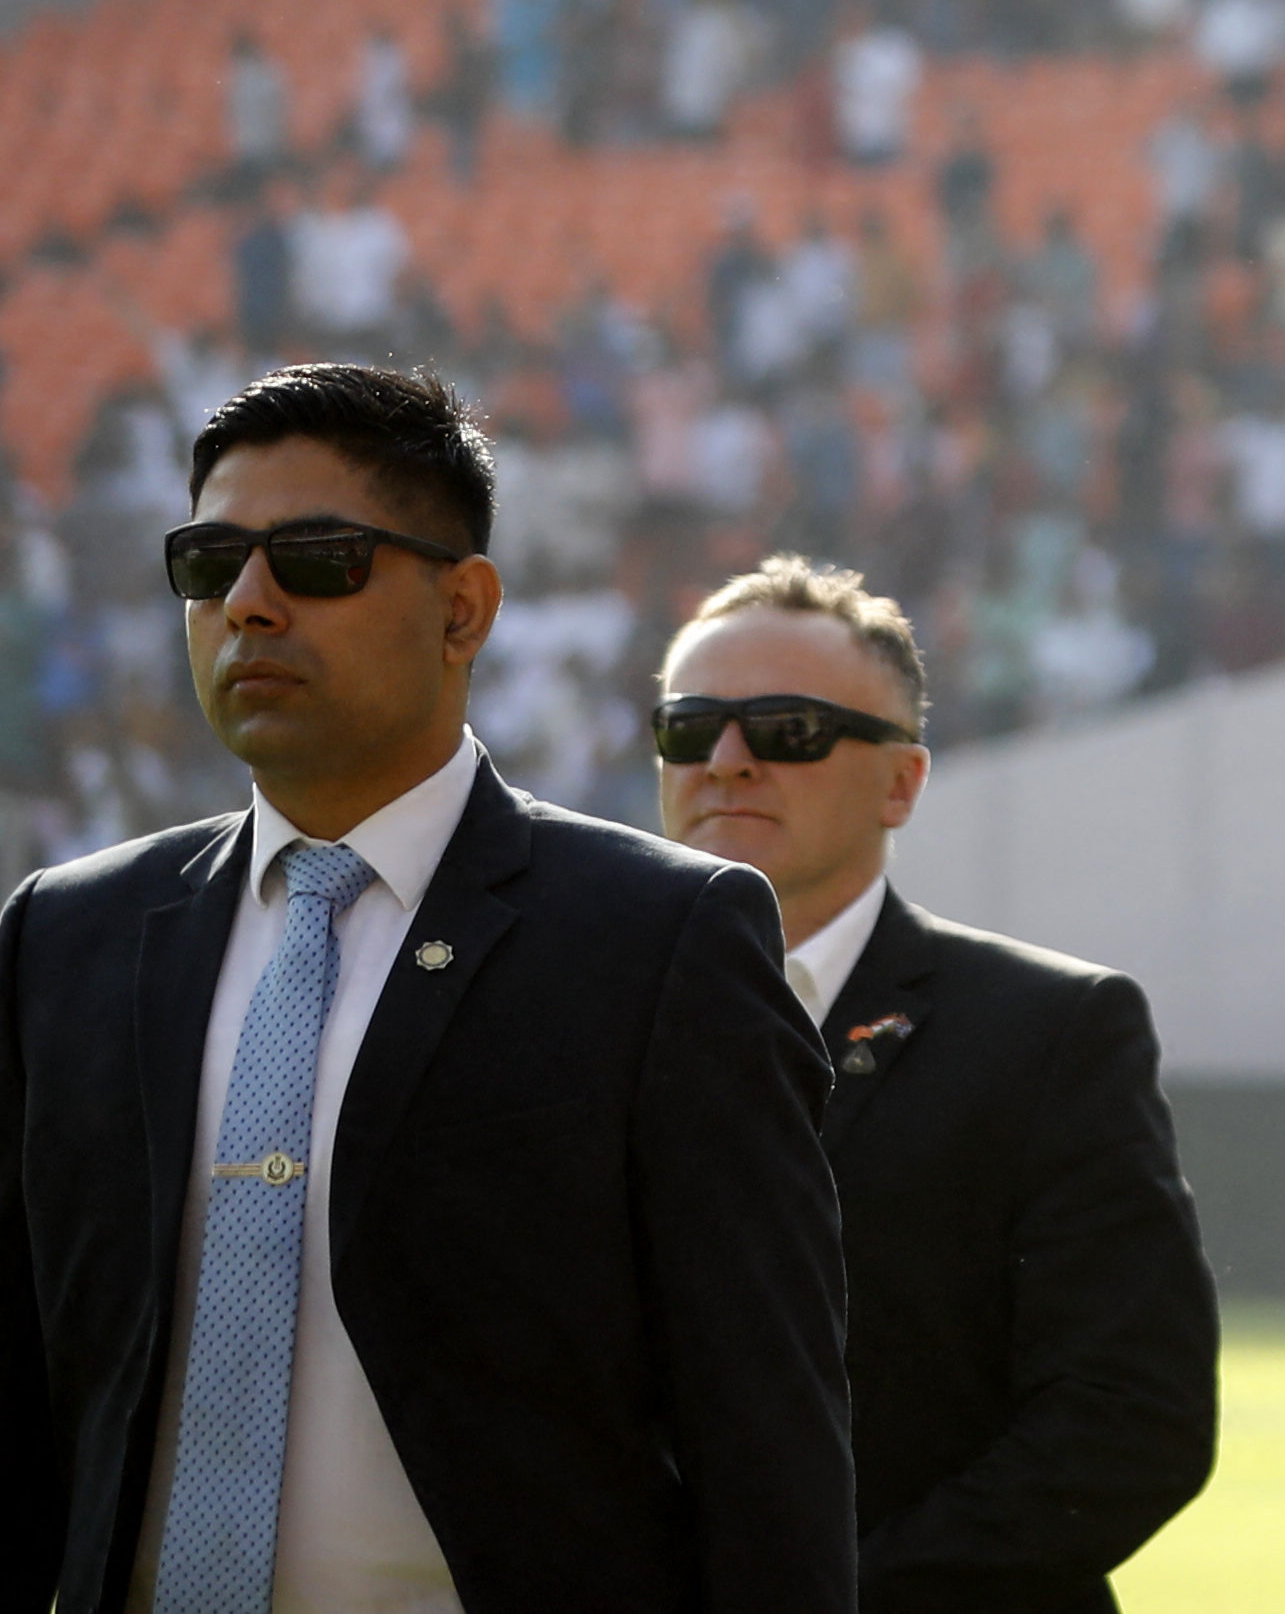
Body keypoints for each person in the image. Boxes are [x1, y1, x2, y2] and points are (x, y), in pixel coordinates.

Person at [0, 359, 849, 1609]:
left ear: (465, 608)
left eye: (318, 557)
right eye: (208, 560)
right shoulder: (67, 934)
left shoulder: (660, 939)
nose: (247, 602)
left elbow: (765, 1435)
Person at [654, 550, 1219, 1613]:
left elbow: (1131, 1418)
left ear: (901, 779)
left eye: (787, 730)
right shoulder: (564, 1011)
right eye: (689, 727)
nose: (725, 760)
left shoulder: (1050, 1030)